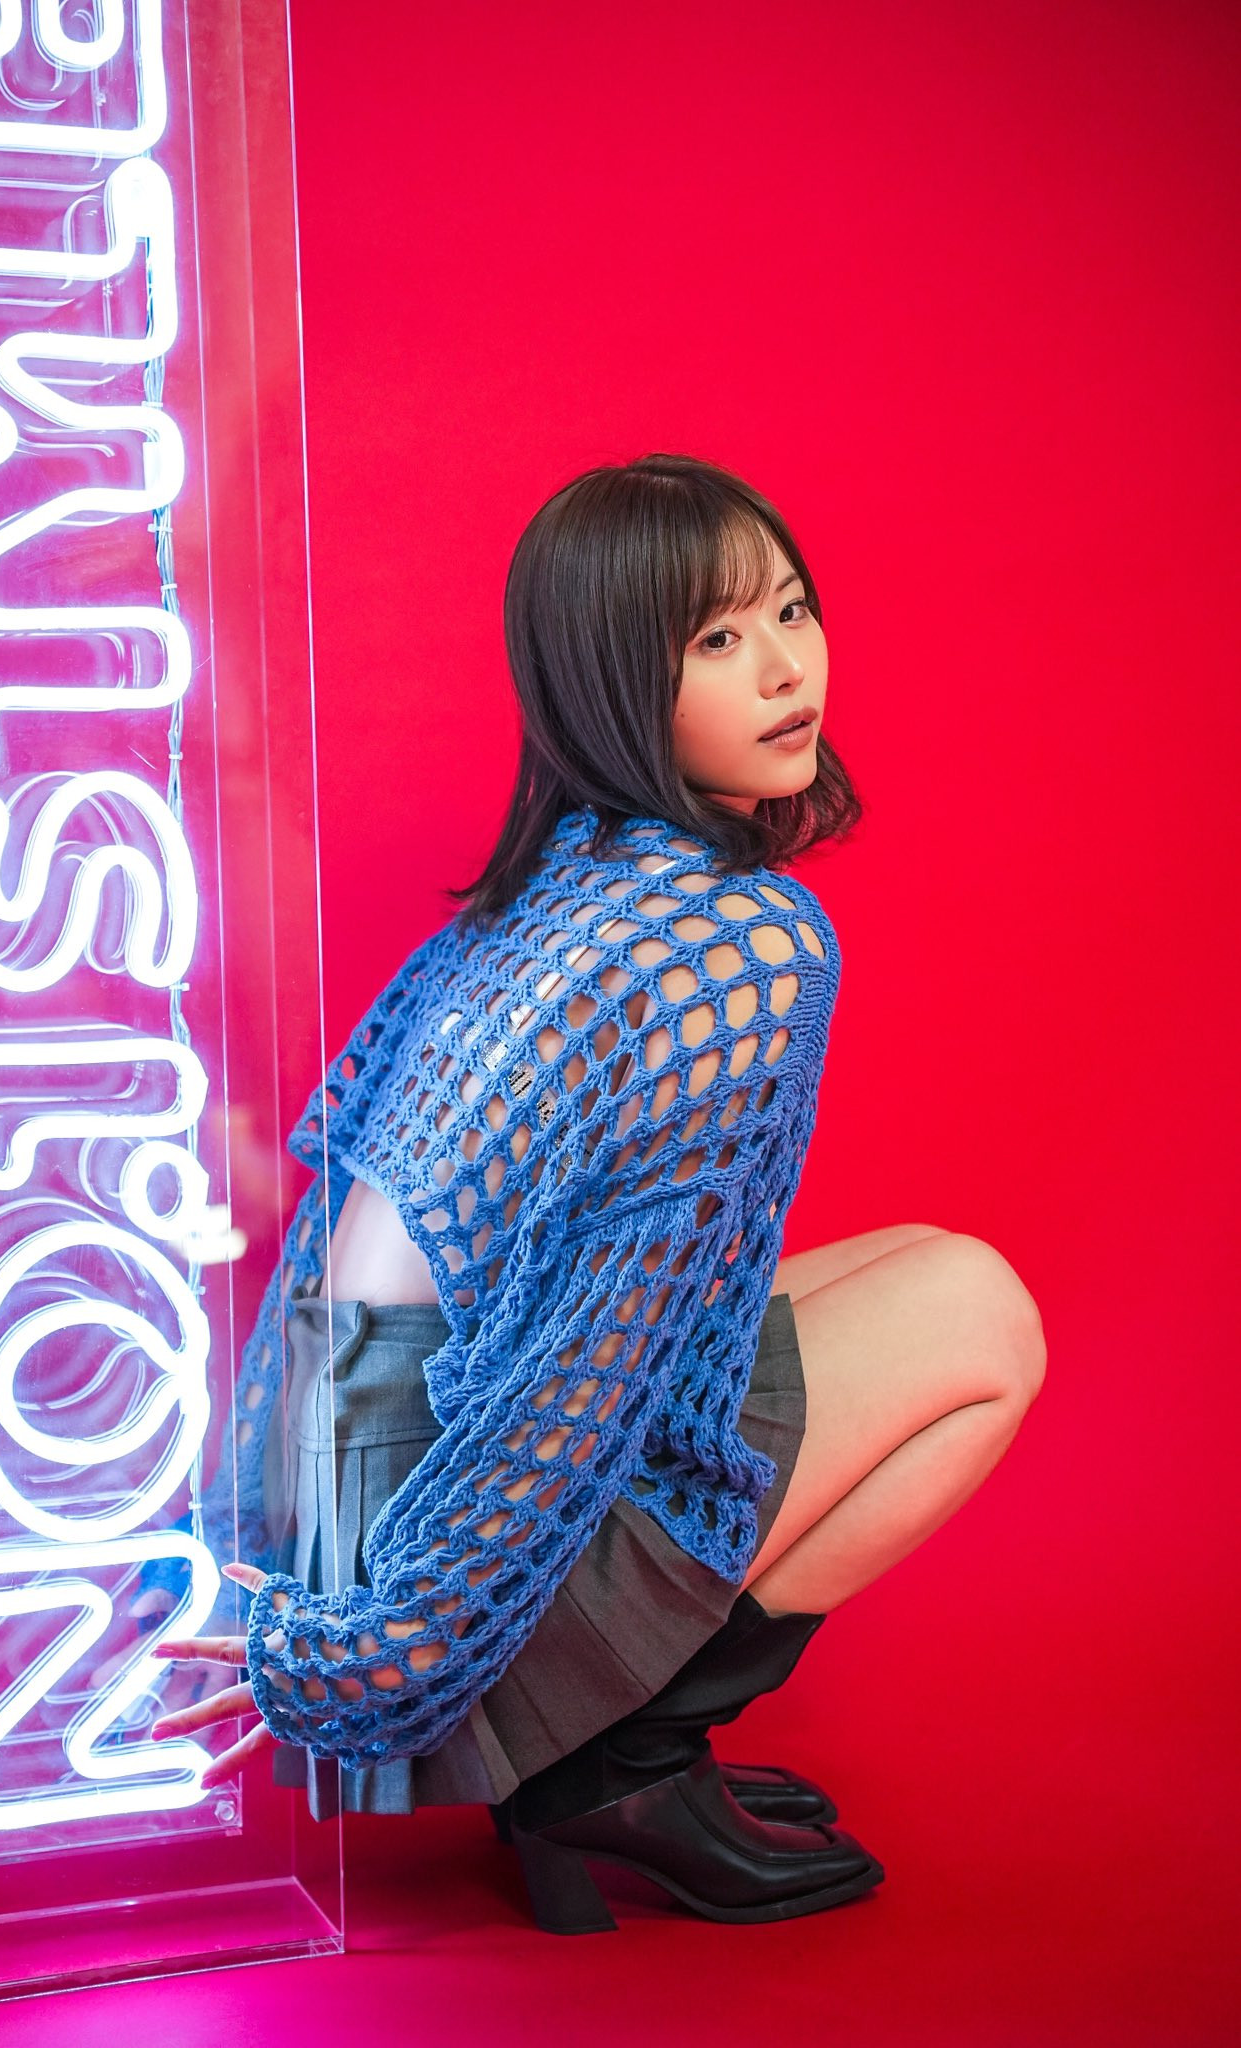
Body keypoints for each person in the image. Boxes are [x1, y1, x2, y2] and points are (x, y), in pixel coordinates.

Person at [150, 453, 1047, 1934]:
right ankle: (611, 1763)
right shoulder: (740, 940)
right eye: (715, 639)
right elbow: (584, 1370)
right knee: (980, 1315)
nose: (785, 670)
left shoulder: (555, 887)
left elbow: (351, 1302)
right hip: (423, 1547)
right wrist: (374, 1652)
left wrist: (282, 1561)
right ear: (612, 682)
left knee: (906, 1255)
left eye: (791, 611)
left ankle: (601, 1737)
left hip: (335, 1490)